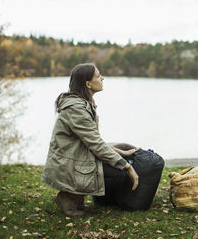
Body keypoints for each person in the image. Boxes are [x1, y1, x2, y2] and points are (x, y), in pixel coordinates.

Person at [42, 63, 139, 216]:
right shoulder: (76, 109)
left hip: (75, 158)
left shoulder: (83, 104)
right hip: (68, 165)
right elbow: (95, 144)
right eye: (99, 76)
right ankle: (68, 198)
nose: (102, 78)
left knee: (125, 148)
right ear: (88, 84)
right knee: (119, 172)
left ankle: (76, 198)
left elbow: (92, 140)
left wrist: (121, 151)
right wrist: (127, 167)